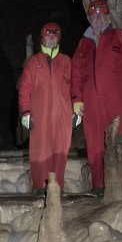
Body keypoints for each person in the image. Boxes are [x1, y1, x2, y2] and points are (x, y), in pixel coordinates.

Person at [70, 0, 122, 192]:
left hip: (118, 98)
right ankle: (98, 183)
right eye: (93, 16)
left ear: (108, 16)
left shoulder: (120, 37)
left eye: (101, 15)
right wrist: (76, 99)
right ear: (88, 18)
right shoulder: (83, 44)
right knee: (95, 140)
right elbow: (76, 73)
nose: (97, 19)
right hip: (92, 101)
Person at [18, 21, 76, 192]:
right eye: (48, 37)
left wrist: (77, 110)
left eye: (54, 37)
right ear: (42, 39)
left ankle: (56, 188)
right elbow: (24, 89)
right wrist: (26, 111)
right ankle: (40, 186)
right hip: (40, 115)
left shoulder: (67, 62)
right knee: (40, 150)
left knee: (60, 150)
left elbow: (75, 87)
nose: (51, 40)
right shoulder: (33, 63)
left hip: (63, 115)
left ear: (58, 40)